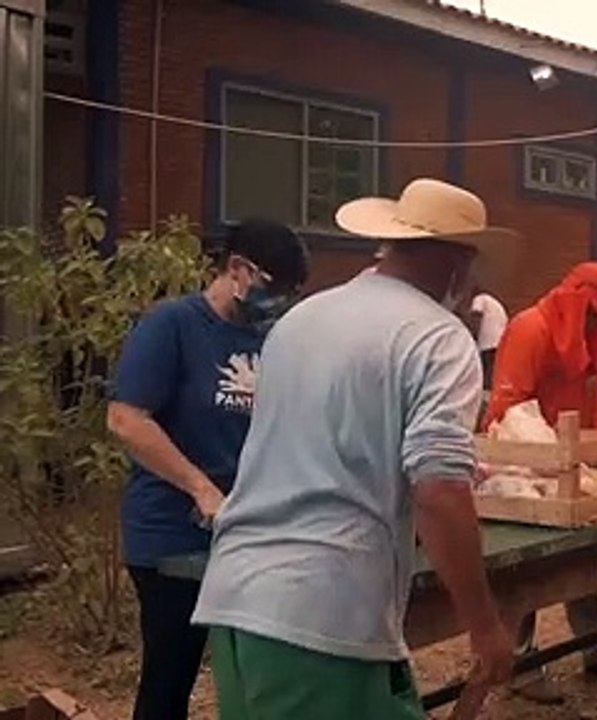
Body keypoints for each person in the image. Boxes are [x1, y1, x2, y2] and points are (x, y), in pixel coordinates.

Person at [192, 178, 517, 719]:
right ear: (458, 265)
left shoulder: (302, 319)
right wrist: (485, 628)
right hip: (321, 615)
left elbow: (316, 441)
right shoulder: (438, 337)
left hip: (236, 598)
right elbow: (439, 490)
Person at [106, 219, 308, 720]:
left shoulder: (272, 340)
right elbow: (127, 420)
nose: (280, 302)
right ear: (237, 270)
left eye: (292, 293)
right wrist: (201, 489)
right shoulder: (171, 326)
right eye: (275, 288)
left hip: (246, 533)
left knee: (253, 676)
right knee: (170, 678)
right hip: (173, 536)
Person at [481, 261, 597, 704]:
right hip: (521, 456)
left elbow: (593, 399)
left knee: (587, 548)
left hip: (570, 459)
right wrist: (554, 458)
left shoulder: (587, 338)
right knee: (528, 559)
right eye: (594, 313)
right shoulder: (530, 328)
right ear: (576, 303)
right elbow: (512, 405)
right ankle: (520, 661)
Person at [467, 287, 509, 389]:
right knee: (493, 367)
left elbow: (477, 315)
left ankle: (483, 389)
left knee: (484, 366)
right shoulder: (495, 303)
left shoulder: (480, 298)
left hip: (488, 338)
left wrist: (472, 333)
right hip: (501, 338)